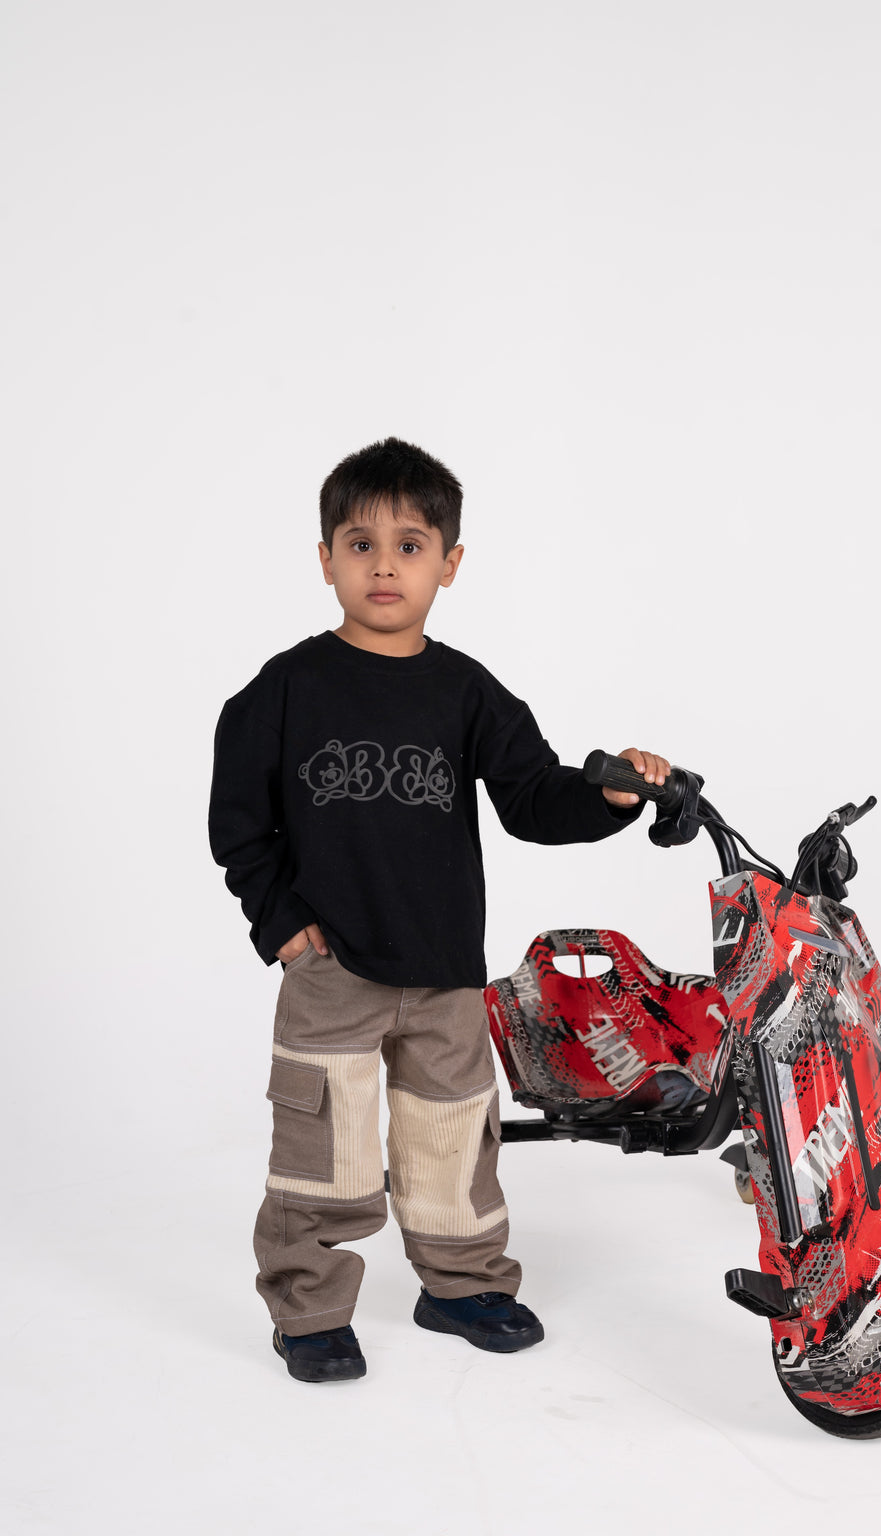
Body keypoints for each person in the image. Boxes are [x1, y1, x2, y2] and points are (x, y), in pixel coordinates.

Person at [208, 437, 670, 1383]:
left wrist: (612, 795)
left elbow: (535, 798)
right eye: (360, 541)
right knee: (322, 1148)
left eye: (411, 544)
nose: (385, 563)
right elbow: (238, 819)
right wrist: (280, 922)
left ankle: (460, 1285)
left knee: (453, 1136)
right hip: (331, 968)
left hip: (447, 968)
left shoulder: (466, 692)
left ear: (450, 564)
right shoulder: (285, 688)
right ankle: (309, 1309)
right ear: (325, 558)